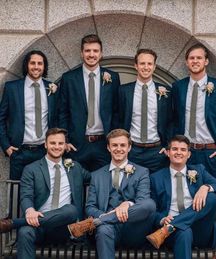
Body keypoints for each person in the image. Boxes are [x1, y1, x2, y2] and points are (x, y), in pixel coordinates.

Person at [0, 128, 90, 259]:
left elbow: (98, 178)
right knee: (25, 232)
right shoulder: (31, 169)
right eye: (53, 143)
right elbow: (26, 195)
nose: (57, 147)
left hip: (66, 228)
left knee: (71, 210)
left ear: (65, 146)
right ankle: (21, 224)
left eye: (60, 143)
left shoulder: (75, 167)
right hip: (38, 227)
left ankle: (15, 223)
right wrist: (30, 210)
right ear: (46, 144)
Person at [67, 129, 156, 259]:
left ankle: (99, 221)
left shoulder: (142, 172)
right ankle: (103, 221)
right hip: (108, 230)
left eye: (122, 145)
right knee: (103, 230)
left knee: (150, 204)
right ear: (108, 147)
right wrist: (106, 215)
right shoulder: (96, 175)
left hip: (133, 229)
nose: (118, 149)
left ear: (129, 147)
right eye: (114, 145)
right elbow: (90, 207)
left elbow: (143, 202)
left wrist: (128, 204)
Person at [146, 135, 216, 259]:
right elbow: (152, 210)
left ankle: (172, 226)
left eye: (183, 150)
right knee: (184, 232)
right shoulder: (156, 178)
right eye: (175, 149)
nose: (179, 152)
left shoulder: (199, 170)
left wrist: (205, 187)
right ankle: (172, 227)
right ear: (168, 152)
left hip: (200, 231)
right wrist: (162, 219)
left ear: (189, 154)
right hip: (173, 236)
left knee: (211, 197)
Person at [172, 43, 216, 181]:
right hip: (185, 152)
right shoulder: (178, 87)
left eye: (199, 58)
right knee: (185, 194)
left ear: (206, 61)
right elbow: (173, 119)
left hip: (211, 153)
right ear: (187, 62)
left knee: (211, 196)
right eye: (191, 58)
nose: (195, 61)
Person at [58, 34, 121, 171]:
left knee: (102, 187)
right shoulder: (69, 79)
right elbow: (62, 112)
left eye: (95, 51)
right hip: (77, 144)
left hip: (103, 145)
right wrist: (65, 141)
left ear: (101, 53)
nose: (91, 54)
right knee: (75, 186)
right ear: (82, 53)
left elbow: (116, 112)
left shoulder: (113, 78)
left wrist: (114, 141)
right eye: (87, 51)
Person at [0, 50, 58, 180]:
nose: (36, 67)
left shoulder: (52, 88)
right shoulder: (12, 88)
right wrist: (6, 146)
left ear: (44, 66)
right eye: (33, 63)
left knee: (43, 193)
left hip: (45, 152)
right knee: (17, 193)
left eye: (40, 63)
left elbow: (59, 117)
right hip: (19, 151)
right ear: (27, 65)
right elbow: (1, 118)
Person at [119, 49, 172, 173]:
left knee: (156, 189)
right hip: (133, 150)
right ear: (136, 66)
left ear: (154, 67)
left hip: (157, 151)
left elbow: (171, 120)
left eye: (149, 64)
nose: (146, 67)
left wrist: (167, 146)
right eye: (142, 63)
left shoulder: (167, 92)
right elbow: (118, 119)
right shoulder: (124, 91)